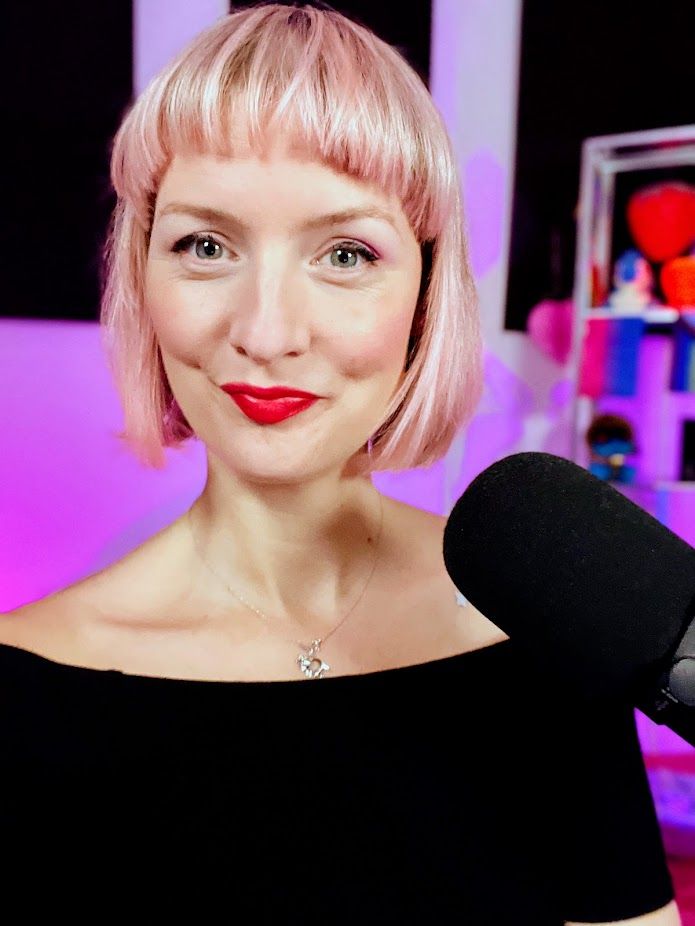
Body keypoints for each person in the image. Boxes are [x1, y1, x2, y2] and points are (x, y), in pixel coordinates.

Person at [0, 3, 681, 923]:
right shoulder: (25, 685)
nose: (266, 332)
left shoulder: (543, 629)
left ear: (425, 294)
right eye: (205, 245)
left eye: (346, 252)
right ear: (142, 276)